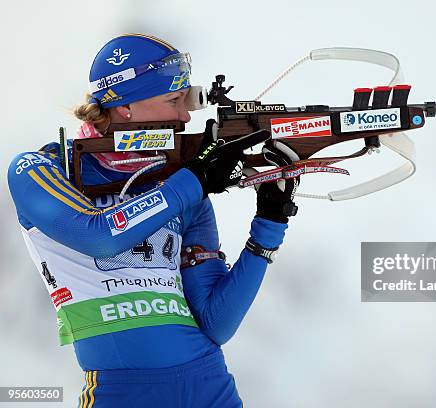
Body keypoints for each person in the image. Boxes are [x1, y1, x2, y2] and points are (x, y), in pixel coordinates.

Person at [7, 33, 299, 407]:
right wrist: (194, 181)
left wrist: (270, 224)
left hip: (209, 386)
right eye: (173, 100)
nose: (185, 115)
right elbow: (99, 234)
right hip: (119, 392)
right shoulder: (40, 169)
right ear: (126, 105)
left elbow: (216, 323)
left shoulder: (179, 188)